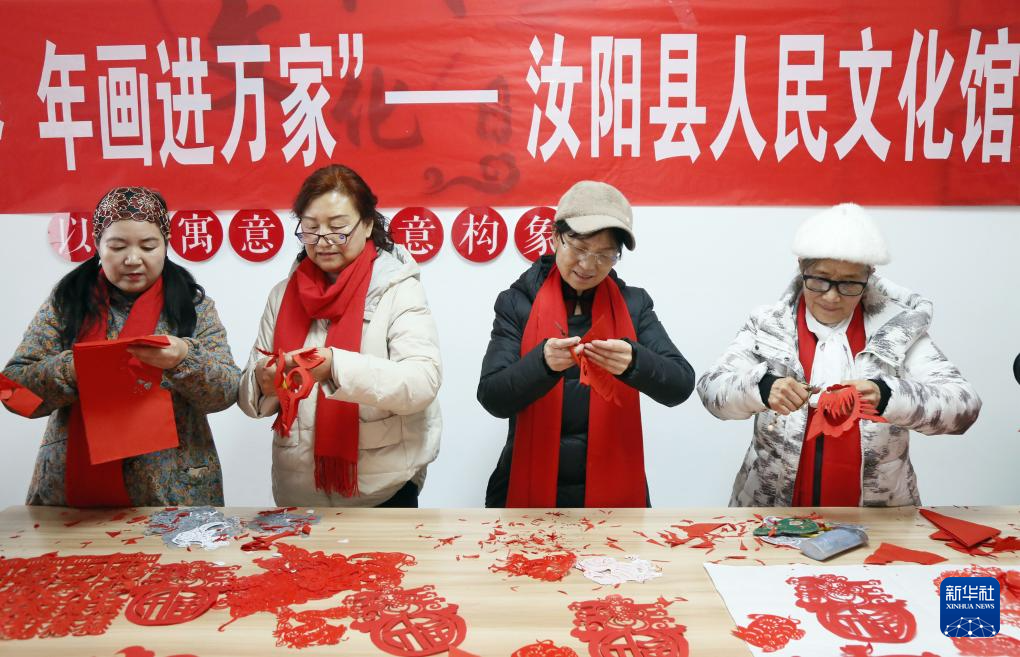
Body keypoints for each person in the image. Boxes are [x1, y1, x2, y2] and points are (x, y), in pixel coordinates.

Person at [697, 203, 981, 507]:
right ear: (801, 267)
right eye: (819, 280)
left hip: (878, 515)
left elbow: (963, 407)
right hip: (771, 512)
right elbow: (712, 390)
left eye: (849, 283)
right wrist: (763, 388)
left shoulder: (897, 330)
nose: (831, 296)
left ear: (869, 276)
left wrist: (888, 395)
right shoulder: (768, 324)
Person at [3, 187, 240, 506]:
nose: (132, 259)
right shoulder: (66, 304)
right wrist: (75, 368)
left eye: (148, 246)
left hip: (174, 490)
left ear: (166, 244)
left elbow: (227, 392)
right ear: (97, 244)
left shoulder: (193, 306)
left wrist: (184, 358)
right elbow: (14, 395)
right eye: (117, 246)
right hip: (73, 491)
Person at [478, 180, 695, 508]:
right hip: (526, 488)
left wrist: (635, 362)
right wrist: (542, 364)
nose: (588, 265)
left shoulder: (633, 305)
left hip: (616, 493)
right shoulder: (517, 303)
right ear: (556, 237)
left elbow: (680, 385)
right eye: (579, 249)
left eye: (605, 255)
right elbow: (492, 397)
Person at [239, 164, 441, 507]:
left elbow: (422, 382)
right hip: (297, 492)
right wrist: (262, 381)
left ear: (367, 224)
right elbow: (250, 399)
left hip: (382, 491)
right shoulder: (282, 295)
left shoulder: (398, 289)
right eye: (311, 229)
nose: (323, 241)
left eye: (337, 228)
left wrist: (335, 367)